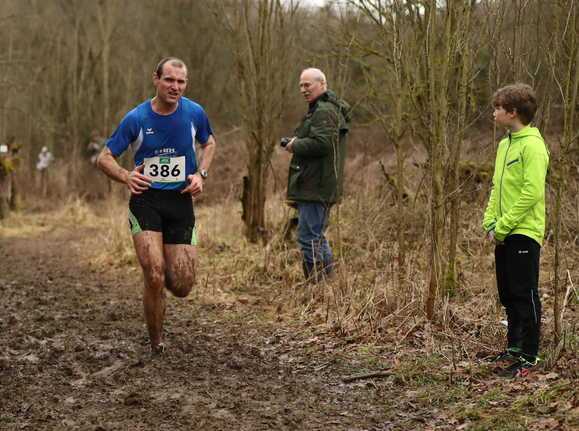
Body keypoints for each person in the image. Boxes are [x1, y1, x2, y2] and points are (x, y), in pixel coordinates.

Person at [97, 57, 216, 354]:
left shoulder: (195, 113)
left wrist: (201, 175)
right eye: (169, 80)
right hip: (146, 200)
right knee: (154, 273)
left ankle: (162, 280)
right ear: (156, 79)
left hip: (180, 201)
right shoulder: (136, 118)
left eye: (181, 82)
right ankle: (156, 342)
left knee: (182, 285)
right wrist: (126, 176)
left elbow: (210, 143)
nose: (175, 87)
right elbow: (104, 158)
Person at [482, 83, 549, 378]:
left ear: (513, 112)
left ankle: (529, 356)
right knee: (508, 293)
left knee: (525, 293)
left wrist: (505, 224)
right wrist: (490, 222)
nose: (494, 113)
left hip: (524, 231)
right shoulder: (504, 145)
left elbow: (531, 192)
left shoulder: (533, 146)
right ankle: (514, 348)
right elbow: (497, 188)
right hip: (503, 232)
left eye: (498, 108)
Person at [283, 68, 351, 282]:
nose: (303, 90)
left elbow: (322, 144)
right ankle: (327, 283)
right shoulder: (320, 110)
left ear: (322, 84)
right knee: (315, 236)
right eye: (301, 86)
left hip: (316, 186)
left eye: (307, 85)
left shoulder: (324, 111)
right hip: (315, 184)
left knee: (308, 237)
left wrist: (295, 145)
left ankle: (316, 285)